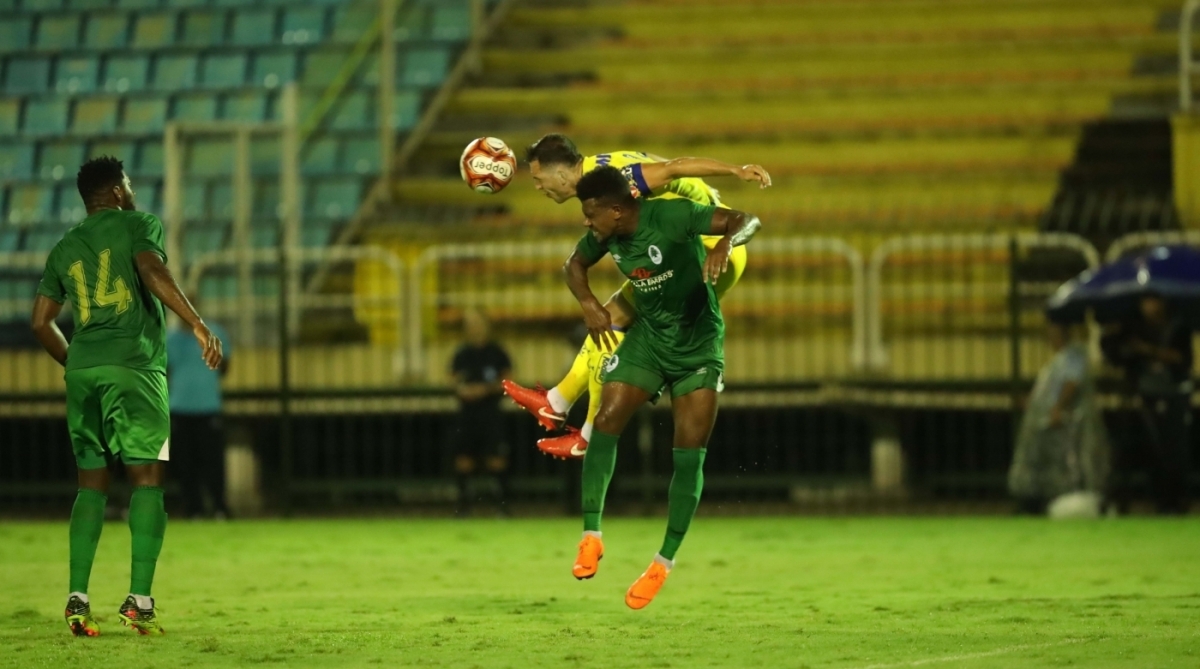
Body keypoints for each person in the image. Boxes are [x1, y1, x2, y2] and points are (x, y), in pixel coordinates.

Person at [30, 156, 222, 637]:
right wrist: (196, 322)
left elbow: (40, 321)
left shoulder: (65, 246)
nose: (132, 192)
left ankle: (77, 598)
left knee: (91, 482)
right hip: (135, 367)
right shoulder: (140, 224)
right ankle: (139, 601)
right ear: (117, 192)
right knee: (146, 476)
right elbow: (150, 268)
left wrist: (76, 361)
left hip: (84, 370)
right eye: (129, 185)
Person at [502, 134, 770, 459]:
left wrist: (736, 170)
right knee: (611, 317)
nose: (537, 187)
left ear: (560, 174)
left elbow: (674, 168)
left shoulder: (618, 175)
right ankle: (557, 404)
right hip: (688, 242)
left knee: (616, 319)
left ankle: (582, 431)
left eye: (537, 178)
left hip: (709, 246)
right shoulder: (601, 179)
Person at [563, 166, 760, 609]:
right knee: (607, 417)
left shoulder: (672, 216)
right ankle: (591, 535)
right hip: (650, 339)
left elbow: (746, 219)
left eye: (590, 214)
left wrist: (726, 242)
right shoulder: (605, 234)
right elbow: (572, 265)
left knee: (687, 453)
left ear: (616, 210)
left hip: (697, 344)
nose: (585, 223)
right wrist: (589, 303)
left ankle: (662, 562)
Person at [1101, 294, 1193, 514]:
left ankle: (1174, 501)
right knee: (1139, 450)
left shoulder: (1178, 325)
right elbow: (1115, 354)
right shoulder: (1132, 327)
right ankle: (1129, 500)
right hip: (1141, 396)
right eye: (1145, 302)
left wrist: (1148, 350)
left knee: (1173, 452)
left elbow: (1183, 359)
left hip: (1172, 395)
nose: (1149, 307)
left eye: (1153, 301)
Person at [1009, 320, 1110, 515]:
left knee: (1068, 465)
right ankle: (1038, 503)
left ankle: (1071, 504)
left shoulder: (1074, 355)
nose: (1050, 339)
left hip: (1064, 424)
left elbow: (1071, 382)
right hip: (1047, 422)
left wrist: (1057, 408)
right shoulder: (1062, 358)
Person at [166, 300, 232, 519]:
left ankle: (219, 507)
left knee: (213, 462)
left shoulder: (215, 333)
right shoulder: (171, 339)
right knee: (186, 464)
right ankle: (194, 509)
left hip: (207, 406)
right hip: (180, 408)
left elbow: (225, 365)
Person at [450, 308, 513, 516]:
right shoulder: (461, 354)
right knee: (463, 459)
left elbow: (507, 380)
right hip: (467, 414)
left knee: (496, 458)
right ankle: (463, 507)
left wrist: (485, 389)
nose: (474, 328)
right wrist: (464, 390)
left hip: (491, 413)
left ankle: (502, 507)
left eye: (477, 323)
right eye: (469, 324)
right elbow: (453, 380)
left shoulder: (497, 352)